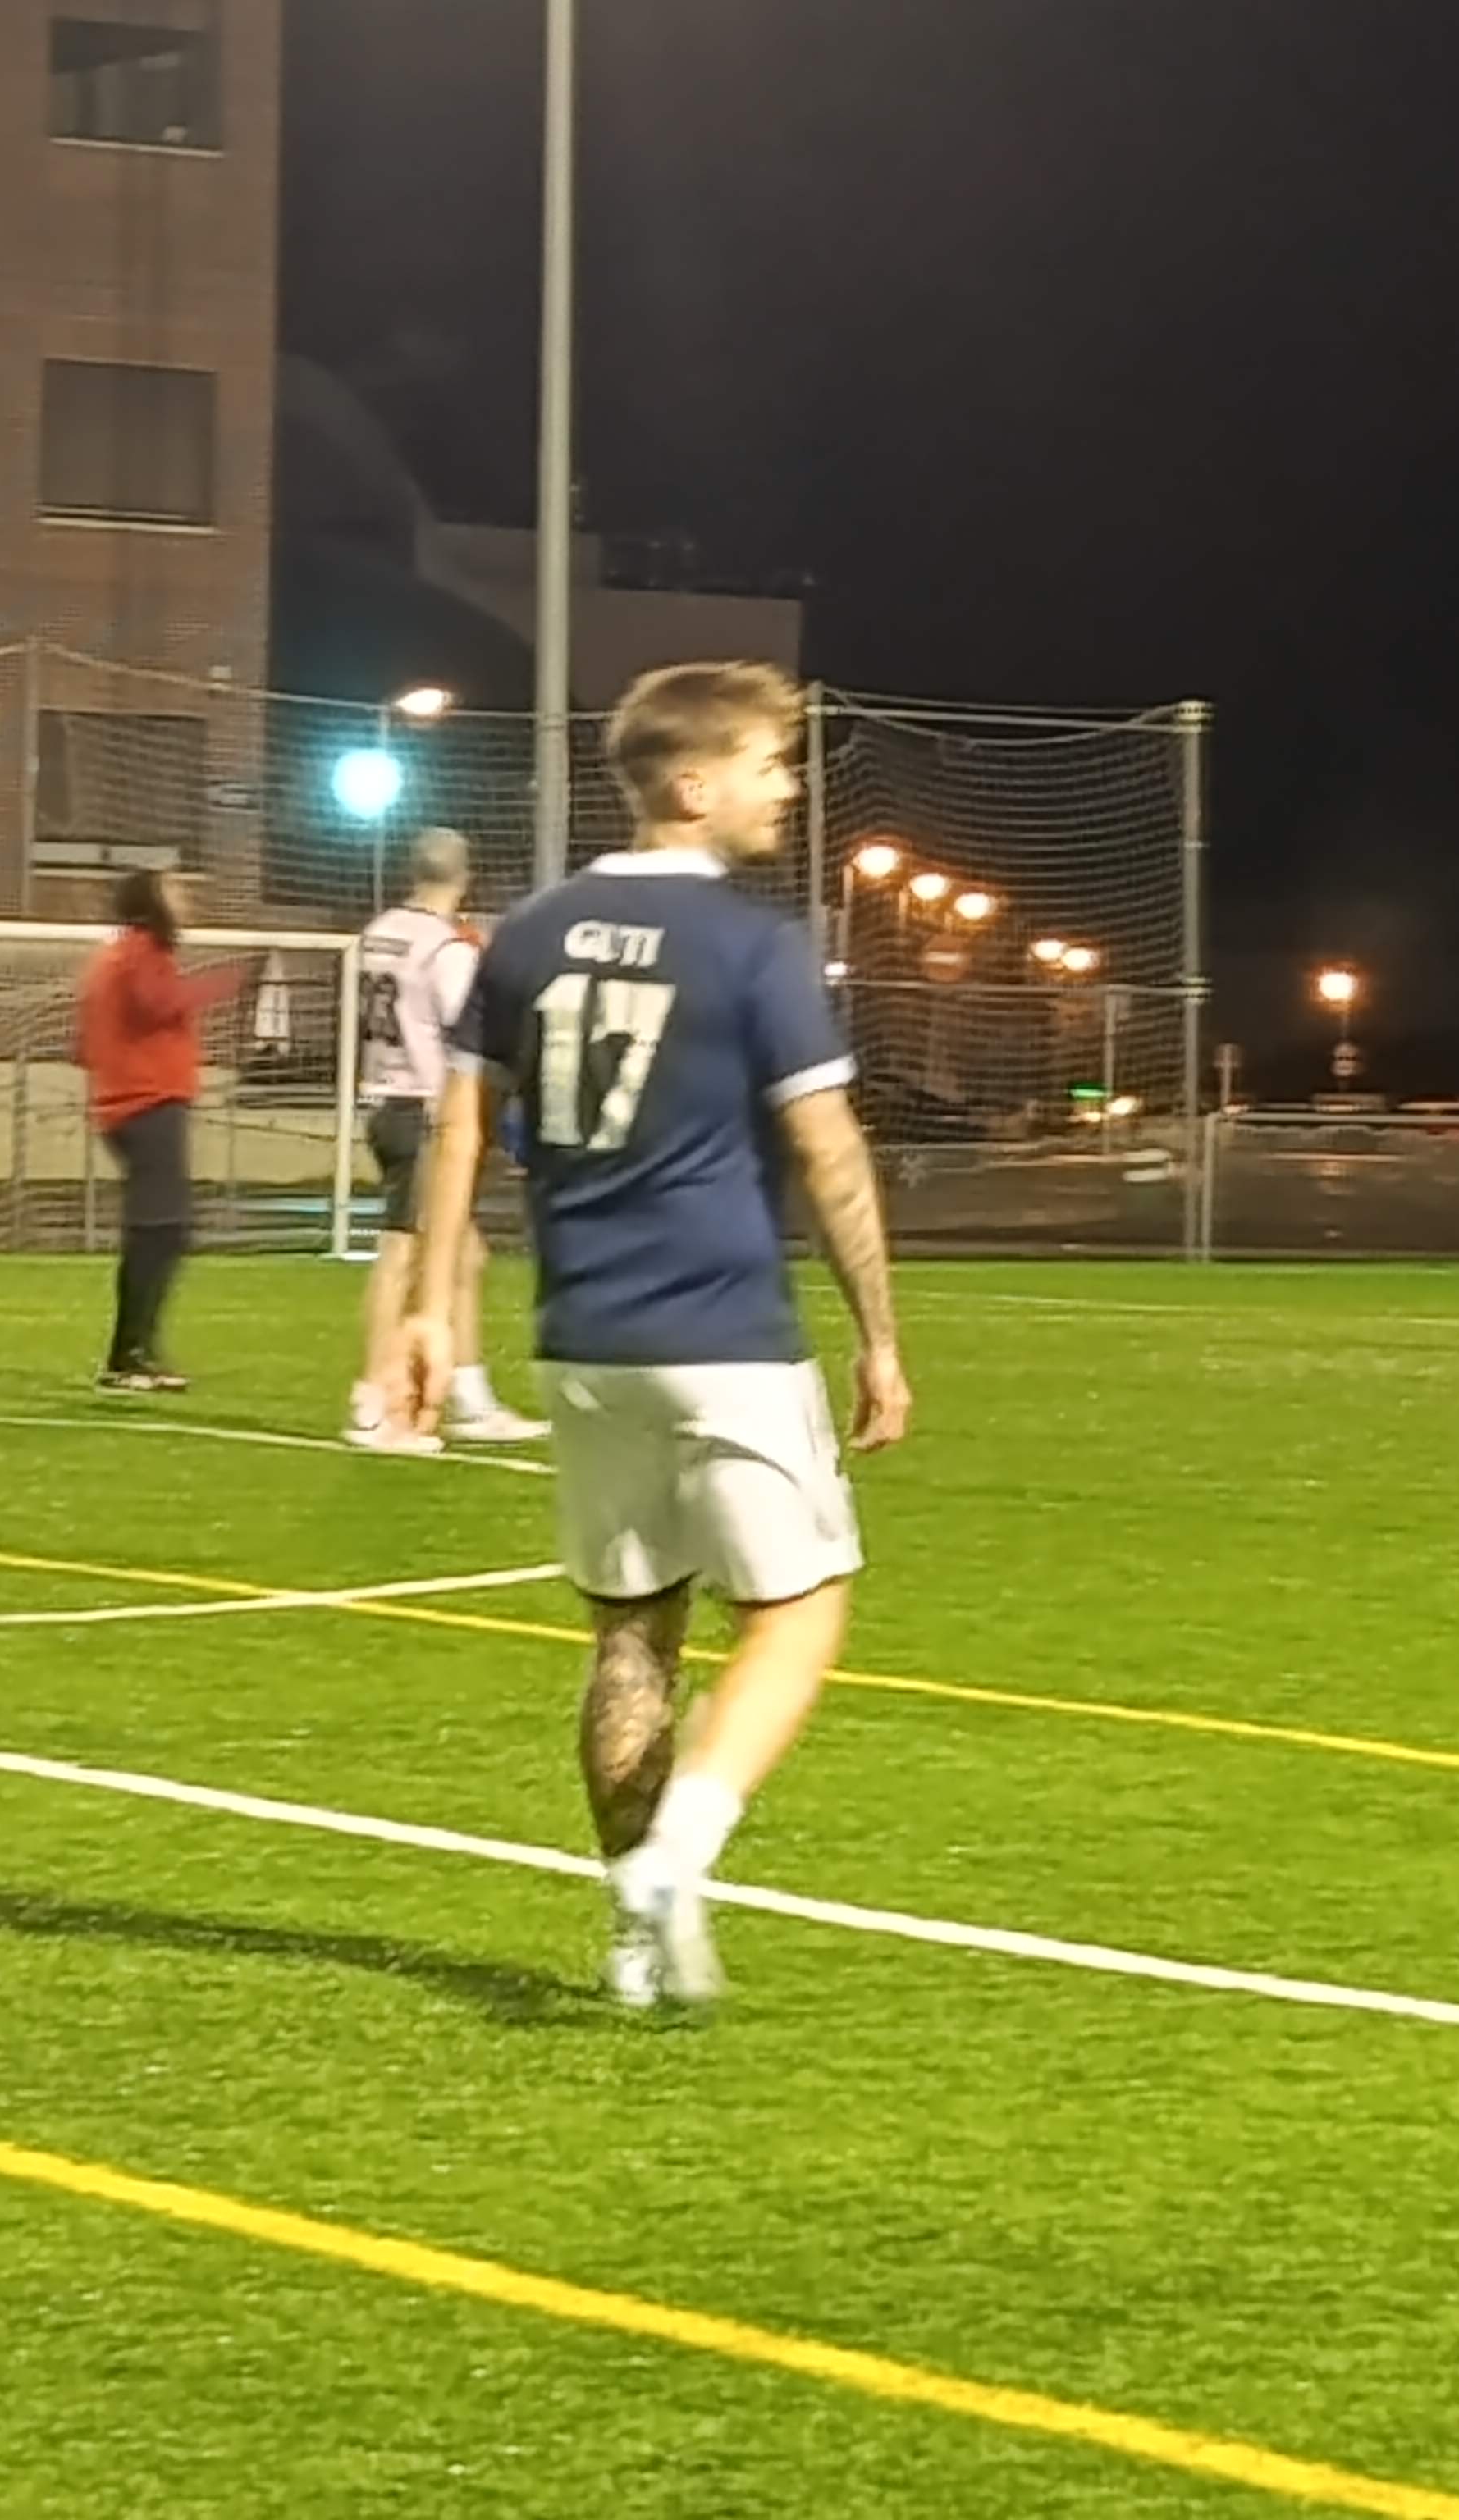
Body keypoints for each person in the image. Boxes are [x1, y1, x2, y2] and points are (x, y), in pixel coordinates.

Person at [403, 660, 912, 2011]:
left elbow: (461, 1130)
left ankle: (633, 1940)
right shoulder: (754, 946)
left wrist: (425, 1310)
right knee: (799, 1614)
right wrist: (879, 1332)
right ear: (693, 785)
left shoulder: (526, 934)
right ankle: (681, 1854)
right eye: (767, 764)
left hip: (582, 1337)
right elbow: (829, 1151)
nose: (785, 787)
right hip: (726, 1332)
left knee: (632, 1634)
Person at [344, 829, 545, 1454]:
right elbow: (473, 1034)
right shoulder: (447, 948)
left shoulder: (380, 930)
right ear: (466, 876)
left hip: (385, 1100)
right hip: (425, 1109)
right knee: (403, 1255)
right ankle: (375, 1402)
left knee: (464, 1256)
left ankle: (470, 1397)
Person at [75, 870, 245, 1394]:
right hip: (146, 1103)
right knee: (160, 1230)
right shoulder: (139, 952)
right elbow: (154, 1004)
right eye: (173, 890)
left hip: (131, 1102)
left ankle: (133, 1352)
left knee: (160, 1230)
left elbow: (85, 1038)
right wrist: (216, 986)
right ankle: (129, 1356)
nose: (184, 898)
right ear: (151, 902)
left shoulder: (117, 954)